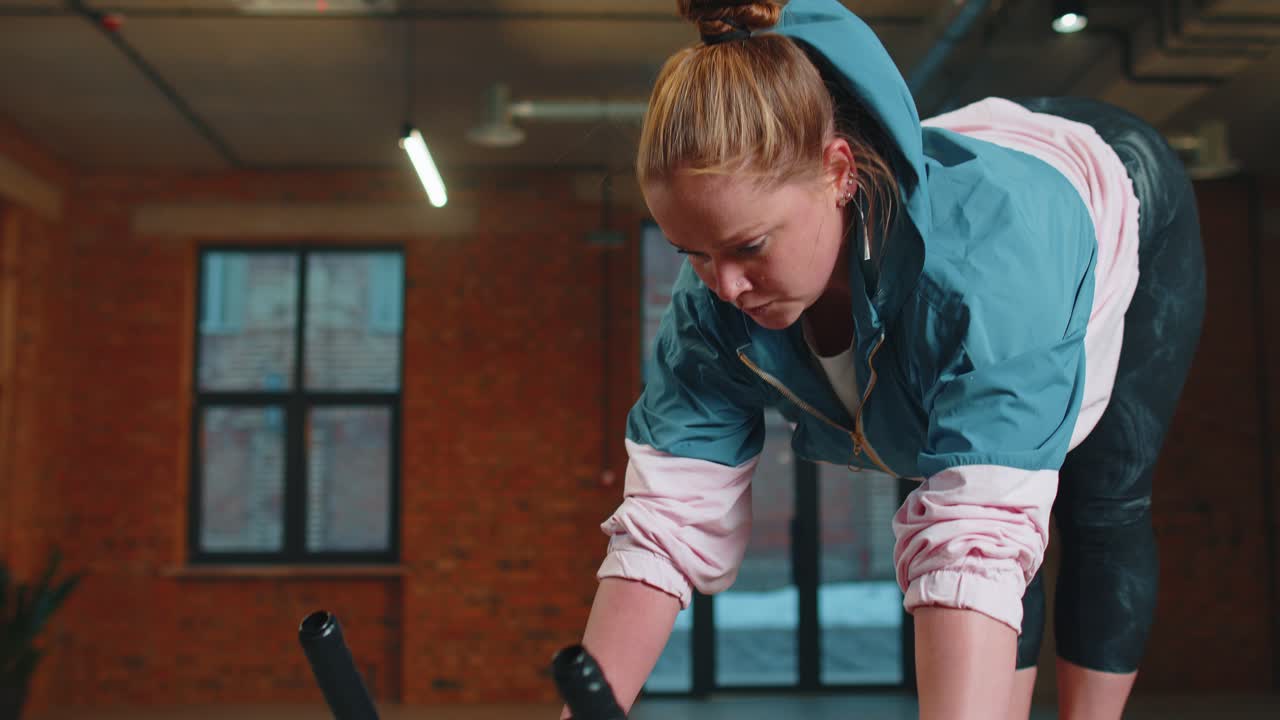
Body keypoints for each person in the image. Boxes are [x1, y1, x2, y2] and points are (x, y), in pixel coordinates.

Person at [563, 1, 1206, 719]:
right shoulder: (712, 298)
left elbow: (975, 538)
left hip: (1110, 188)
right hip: (972, 186)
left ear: (839, 172)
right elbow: (667, 514)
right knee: (969, 506)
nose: (726, 286)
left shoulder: (986, 277)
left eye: (749, 248)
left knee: (1094, 502)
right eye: (693, 253)